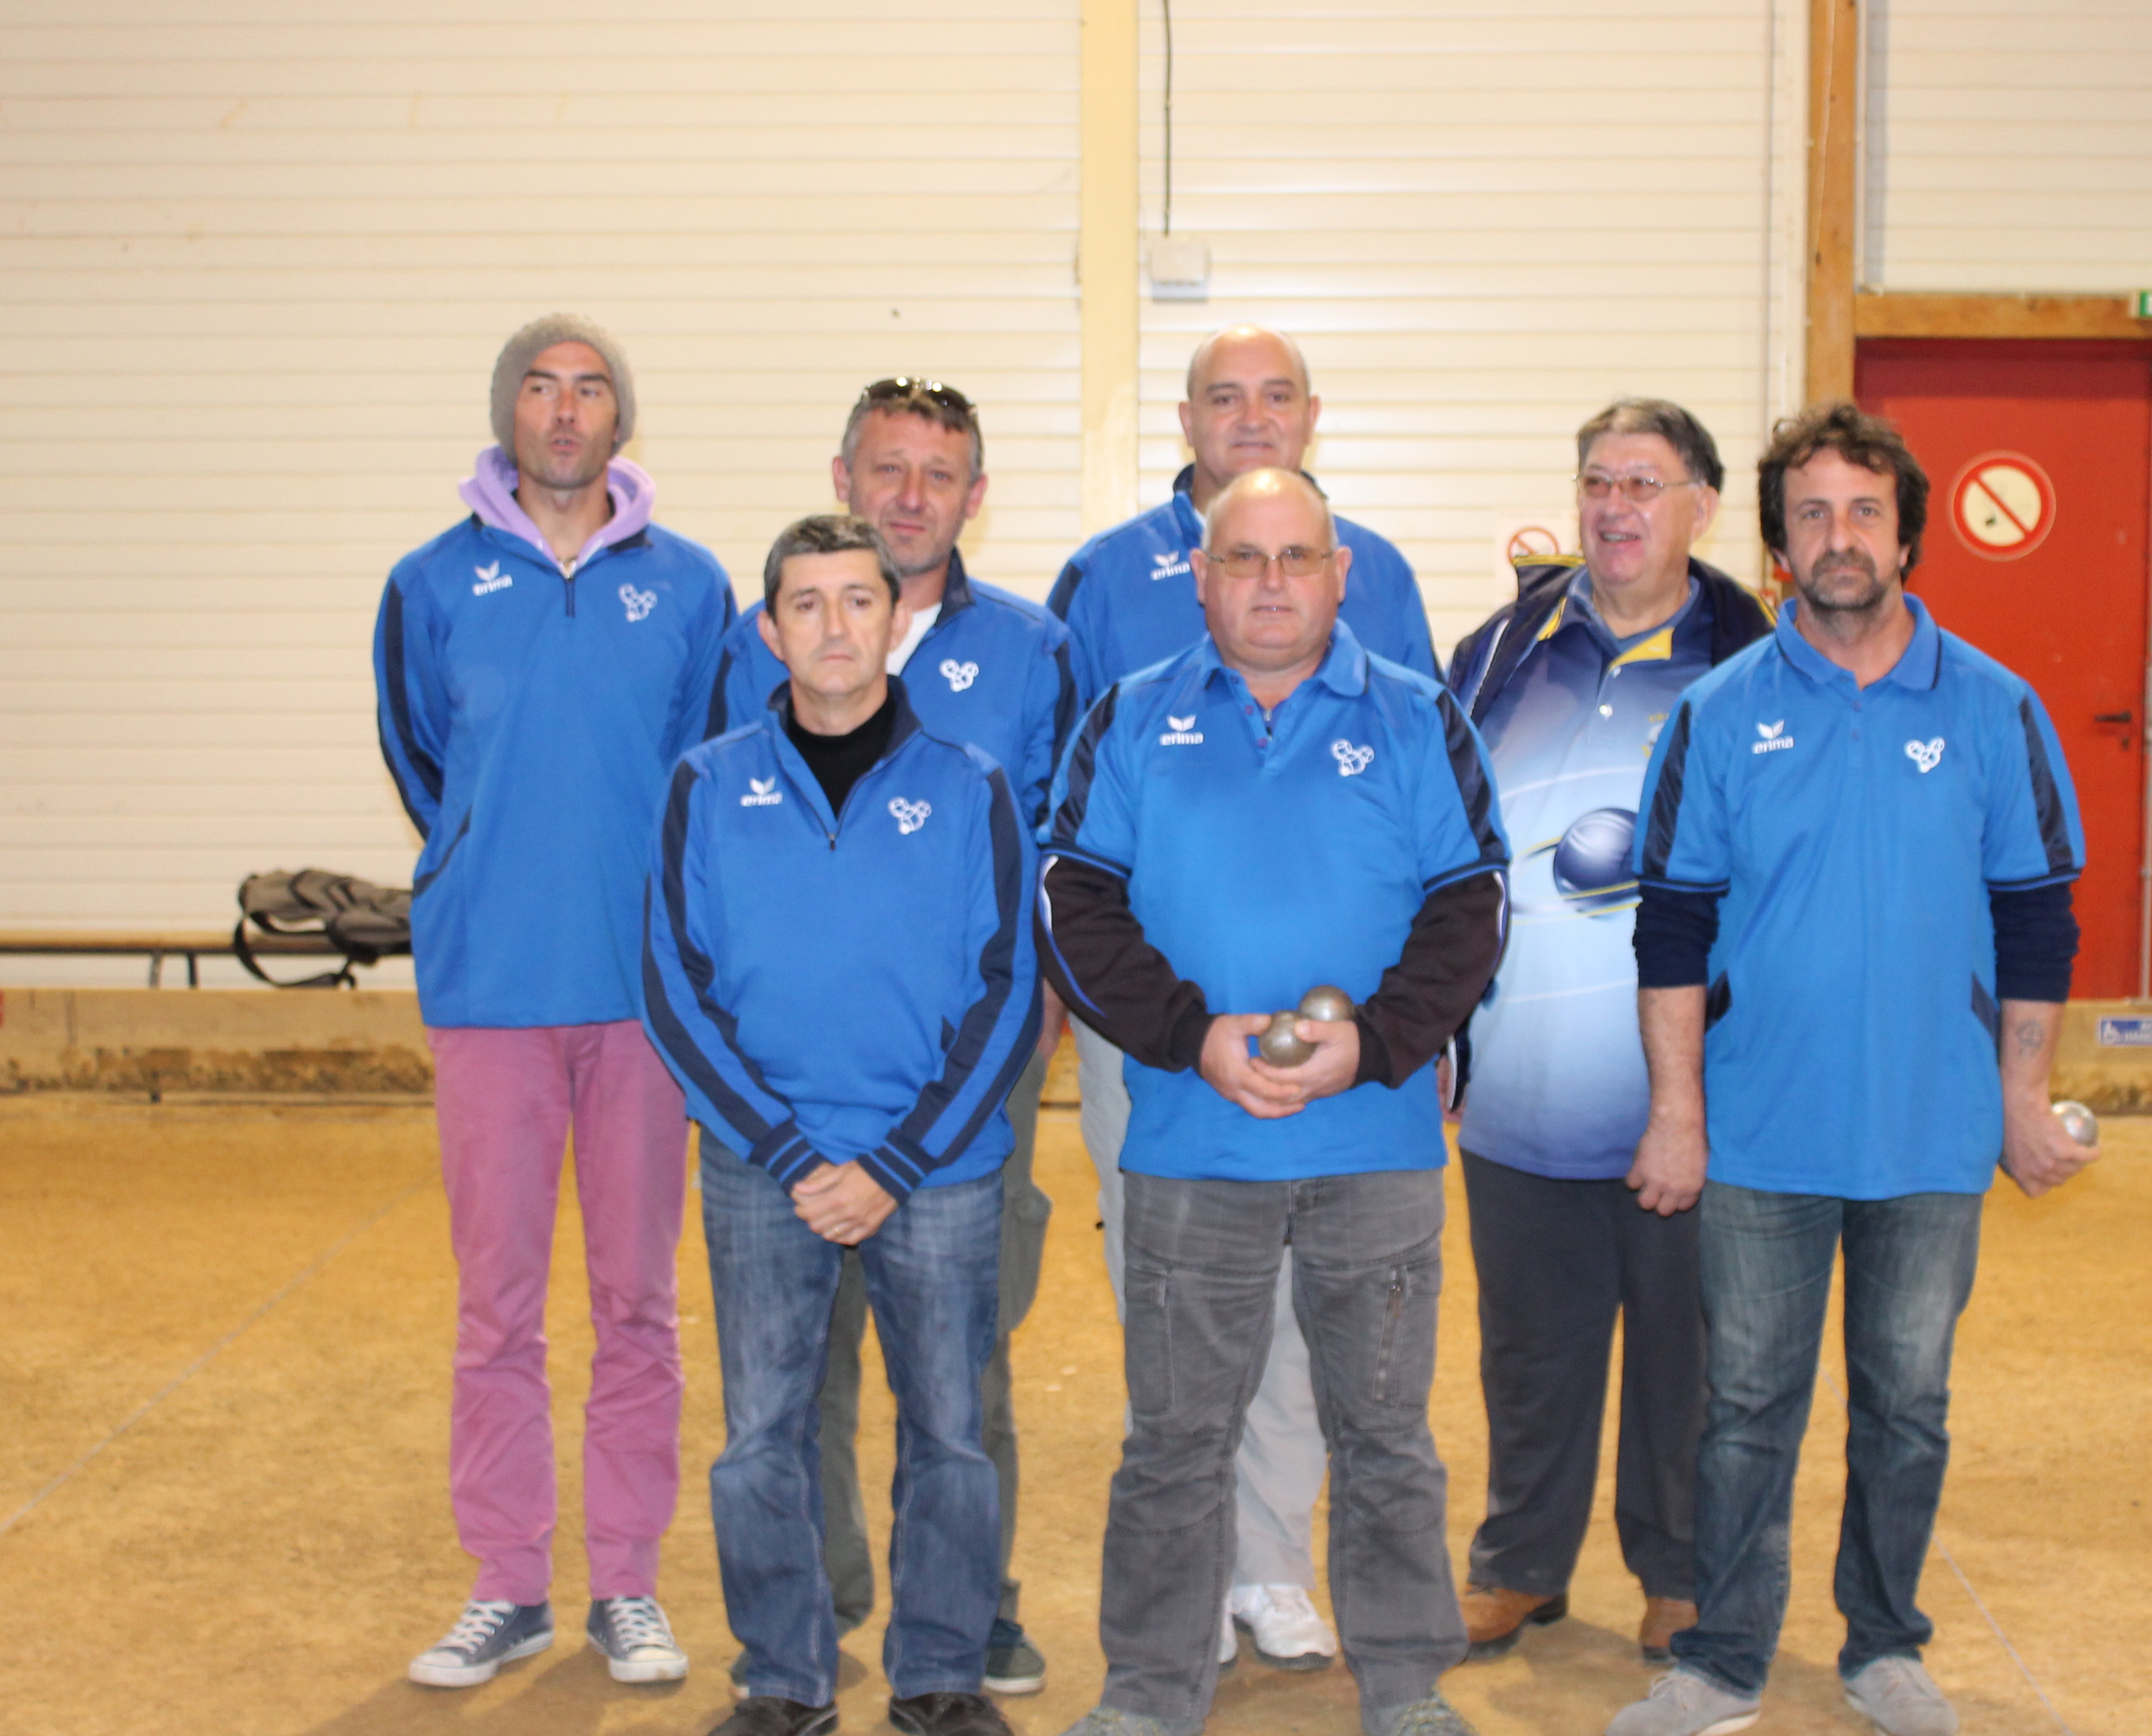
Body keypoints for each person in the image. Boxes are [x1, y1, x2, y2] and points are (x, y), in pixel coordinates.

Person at [1608, 402, 2097, 1736]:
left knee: (1908, 1402)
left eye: (1864, 510)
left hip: (1930, 1134)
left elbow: (2037, 913)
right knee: (1747, 1406)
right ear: (1775, 542)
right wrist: (1675, 1111)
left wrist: (2019, 1100)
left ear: (1908, 536)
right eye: (1812, 512)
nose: (1839, 536)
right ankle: (1724, 1658)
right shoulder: (1719, 715)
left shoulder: (1997, 707)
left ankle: (1885, 1641)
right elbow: (1674, 922)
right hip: (1761, 1131)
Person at [1038, 468, 1507, 1736]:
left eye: (1298, 557)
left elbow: (1474, 905)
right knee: (1177, 1435)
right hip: (1193, 1137)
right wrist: (1196, 1035)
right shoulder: (1131, 718)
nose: (1271, 583)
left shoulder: (1416, 718)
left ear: (1340, 571)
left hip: (1378, 1138)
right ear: (1201, 576)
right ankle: (1148, 1685)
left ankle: (1405, 1679)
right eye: (1243, 559)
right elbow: (1073, 898)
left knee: (1385, 1431)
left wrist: (1378, 1044)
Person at [375, 313, 734, 1690]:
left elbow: (708, 764)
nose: (566, 410)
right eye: (542, 385)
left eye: (591, 388)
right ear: (507, 414)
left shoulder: (690, 585)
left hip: (643, 999)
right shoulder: (430, 581)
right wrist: (485, 854)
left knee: (639, 1302)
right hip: (489, 995)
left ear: (621, 420)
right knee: (497, 1307)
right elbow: (421, 752)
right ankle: (510, 1580)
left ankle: (628, 1584)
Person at [645, 513, 1042, 1736]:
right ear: (770, 632)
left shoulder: (968, 787)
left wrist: (896, 1161)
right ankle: (783, 1677)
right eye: (806, 604)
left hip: (937, 1172)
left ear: (894, 623)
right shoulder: (706, 785)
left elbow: (1012, 988)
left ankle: (937, 1674)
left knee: (952, 1434)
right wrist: (788, 1151)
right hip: (767, 1172)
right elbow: (672, 982)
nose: (834, 626)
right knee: (762, 1432)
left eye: (859, 601)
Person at [721, 378, 1077, 1695]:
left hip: (966, 1101)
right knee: (795, 1378)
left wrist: (1018, 1046)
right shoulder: (758, 642)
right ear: (846, 476)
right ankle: (813, 1614)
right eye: (889, 469)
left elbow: (1062, 860)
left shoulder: (1035, 650)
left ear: (974, 494)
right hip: (792, 1105)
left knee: (962, 1378)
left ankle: (970, 1619)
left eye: (940, 473)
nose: (913, 494)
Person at [1439, 400, 1772, 1668]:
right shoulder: (1502, 650)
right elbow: (1442, 839)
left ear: (1702, 504)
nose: (1615, 504)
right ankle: (1520, 1562)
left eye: (1646, 480)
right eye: (1597, 480)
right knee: (1530, 1341)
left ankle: (1677, 1571)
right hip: (1522, 1075)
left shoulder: (1753, 658)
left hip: (1694, 1079)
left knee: (1684, 1348)